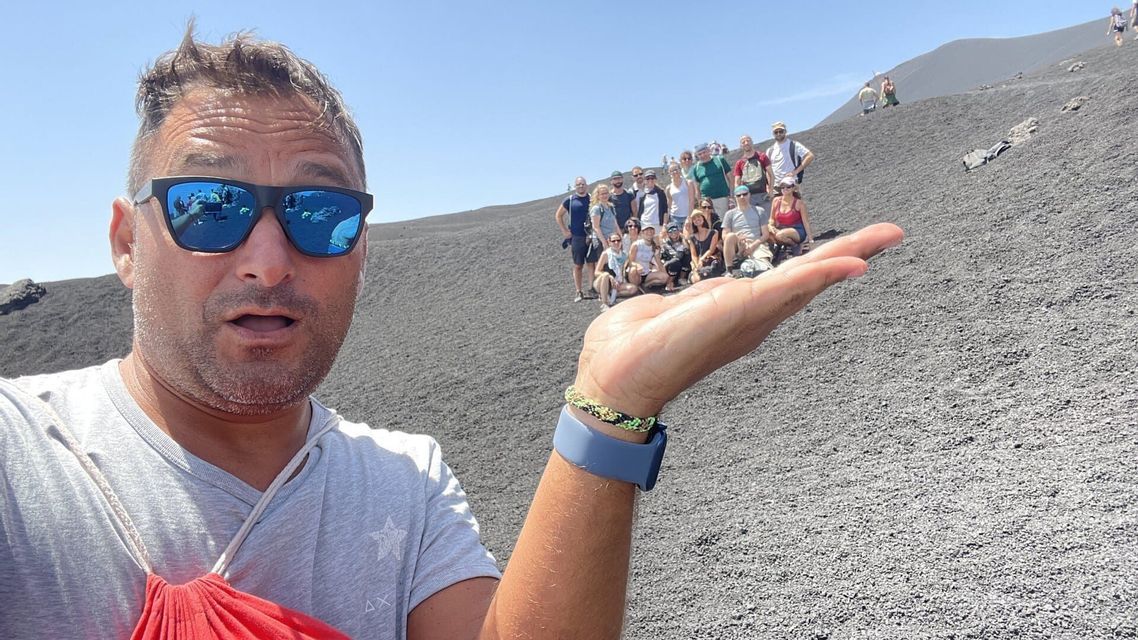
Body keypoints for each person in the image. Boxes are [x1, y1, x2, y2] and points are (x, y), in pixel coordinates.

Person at [0, 25, 905, 640]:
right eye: (211, 206)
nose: (268, 261)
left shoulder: (405, 480)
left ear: (361, 243)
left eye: (318, 213)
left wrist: (609, 410)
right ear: (127, 243)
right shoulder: (21, 456)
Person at [556, 176, 600, 302]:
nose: (581, 186)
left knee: (591, 263)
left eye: (583, 184)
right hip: (576, 237)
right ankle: (578, 291)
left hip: (590, 235)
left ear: (586, 185)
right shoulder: (569, 200)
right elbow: (558, 216)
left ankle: (592, 289)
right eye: (578, 184)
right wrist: (565, 231)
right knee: (578, 265)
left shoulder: (592, 199)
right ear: (575, 186)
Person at [721, 185, 770, 274]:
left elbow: (766, 234)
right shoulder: (729, 214)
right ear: (735, 197)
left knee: (762, 267)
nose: (742, 197)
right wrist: (738, 239)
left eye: (744, 194)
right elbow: (724, 235)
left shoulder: (760, 211)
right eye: (739, 195)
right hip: (738, 243)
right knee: (730, 236)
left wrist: (753, 245)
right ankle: (729, 271)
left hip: (756, 243)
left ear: (749, 195)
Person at [768, 176, 815, 259]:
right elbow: (772, 218)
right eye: (782, 187)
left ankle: (794, 245)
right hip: (781, 228)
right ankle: (781, 247)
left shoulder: (799, 203)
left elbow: (806, 222)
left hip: (797, 230)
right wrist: (771, 226)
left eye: (788, 187)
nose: (785, 189)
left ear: (793, 188)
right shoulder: (776, 201)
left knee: (780, 235)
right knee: (766, 233)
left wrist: (811, 240)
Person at [592, 233, 639, 311]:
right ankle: (605, 303)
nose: (616, 243)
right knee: (606, 275)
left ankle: (611, 294)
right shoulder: (606, 254)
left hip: (617, 282)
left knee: (633, 288)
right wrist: (610, 277)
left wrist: (636, 267)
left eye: (618, 240)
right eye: (613, 241)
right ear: (609, 242)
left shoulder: (624, 255)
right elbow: (596, 272)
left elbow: (630, 264)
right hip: (602, 282)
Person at [733, 135, 775, 218]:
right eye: (743, 142)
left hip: (763, 194)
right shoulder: (740, 162)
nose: (746, 143)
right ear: (741, 146)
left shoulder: (762, 157)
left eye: (748, 141)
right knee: (752, 220)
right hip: (748, 197)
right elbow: (737, 182)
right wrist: (739, 198)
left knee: (768, 219)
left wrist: (770, 191)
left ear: (752, 142)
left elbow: (771, 175)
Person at [766, 121, 815, 189]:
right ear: (773, 134)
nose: (778, 134)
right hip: (776, 187)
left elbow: (810, 156)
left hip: (791, 185)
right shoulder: (770, 151)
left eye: (781, 131)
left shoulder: (794, 145)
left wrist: (795, 172)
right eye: (776, 132)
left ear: (785, 131)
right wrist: (769, 186)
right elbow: (768, 169)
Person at [690, 142, 733, 217]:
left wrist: (731, 197)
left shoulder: (720, 160)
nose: (702, 155)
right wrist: (700, 203)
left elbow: (731, 179)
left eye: (704, 152)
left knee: (723, 223)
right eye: (700, 154)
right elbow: (697, 189)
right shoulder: (696, 168)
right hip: (706, 202)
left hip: (722, 198)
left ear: (709, 151)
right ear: (697, 156)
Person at [685, 206, 724, 283]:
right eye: (694, 219)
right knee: (696, 279)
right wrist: (696, 266)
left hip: (711, 260)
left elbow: (711, 249)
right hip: (698, 263)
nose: (697, 219)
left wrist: (702, 259)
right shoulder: (692, 237)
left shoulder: (714, 232)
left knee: (712, 272)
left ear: (703, 218)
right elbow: (694, 255)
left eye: (699, 217)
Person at [627, 224, 670, 290]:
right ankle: (636, 288)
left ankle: (645, 285)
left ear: (654, 232)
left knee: (665, 277)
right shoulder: (636, 245)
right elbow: (630, 262)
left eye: (651, 230)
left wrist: (669, 281)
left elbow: (659, 263)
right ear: (642, 233)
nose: (649, 232)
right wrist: (637, 265)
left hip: (646, 273)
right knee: (633, 270)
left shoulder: (655, 247)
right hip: (636, 273)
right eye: (646, 230)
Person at [659, 222, 692, 292]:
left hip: (680, 265)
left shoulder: (683, 240)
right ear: (668, 234)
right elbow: (676, 256)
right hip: (669, 265)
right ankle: (669, 282)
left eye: (674, 230)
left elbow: (687, 250)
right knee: (676, 261)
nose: (673, 232)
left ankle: (681, 278)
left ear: (678, 231)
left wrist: (683, 239)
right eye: (670, 231)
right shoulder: (666, 243)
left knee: (687, 255)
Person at [665, 162, 696, 231]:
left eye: (676, 169)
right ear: (669, 173)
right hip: (675, 217)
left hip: (687, 215)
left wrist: (689, 217)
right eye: (672, 171)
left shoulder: (688, 183)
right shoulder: (669, 188)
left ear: (680, 170)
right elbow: (669, 204)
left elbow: (692, 201)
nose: (675, 172)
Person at [590, 184, 620, 251]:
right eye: (602, 194)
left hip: (613, 241)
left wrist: (620, 237)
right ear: (598, 196)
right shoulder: (596, 209)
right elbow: (596, 227)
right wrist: (604, 243)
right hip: (602, 242)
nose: (605, 195)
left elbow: (615, 224)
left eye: (606, 193)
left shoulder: (611, 207)